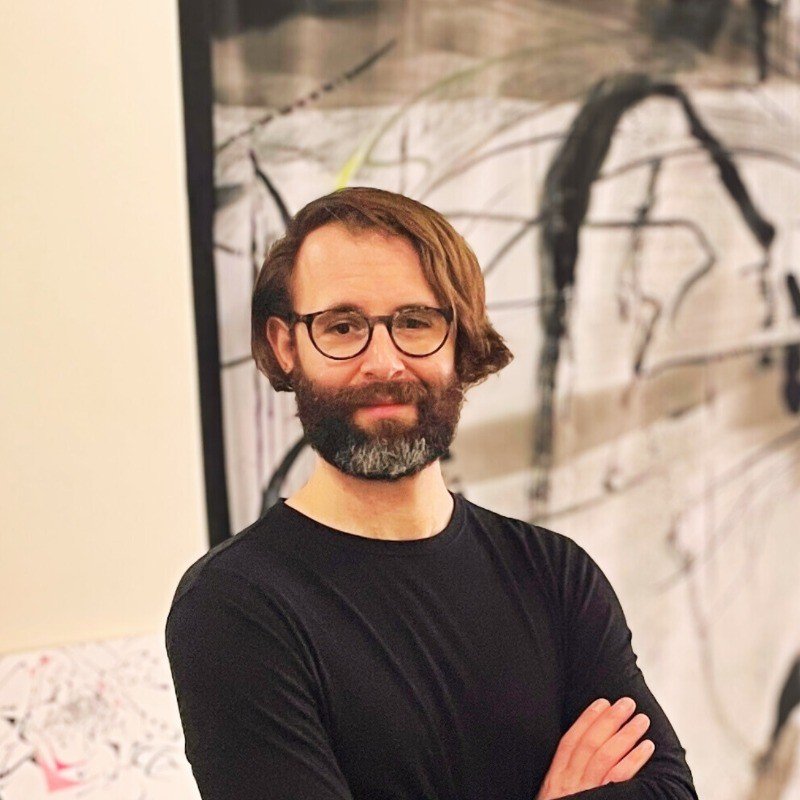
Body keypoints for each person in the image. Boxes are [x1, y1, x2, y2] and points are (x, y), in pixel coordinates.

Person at [165, 187, 698, 800]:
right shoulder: (236, 607)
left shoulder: (554, 574)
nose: (384, 362)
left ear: (459, 340)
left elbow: (668, 792)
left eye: (415, 322)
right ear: (287, 347)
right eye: (342, 326)